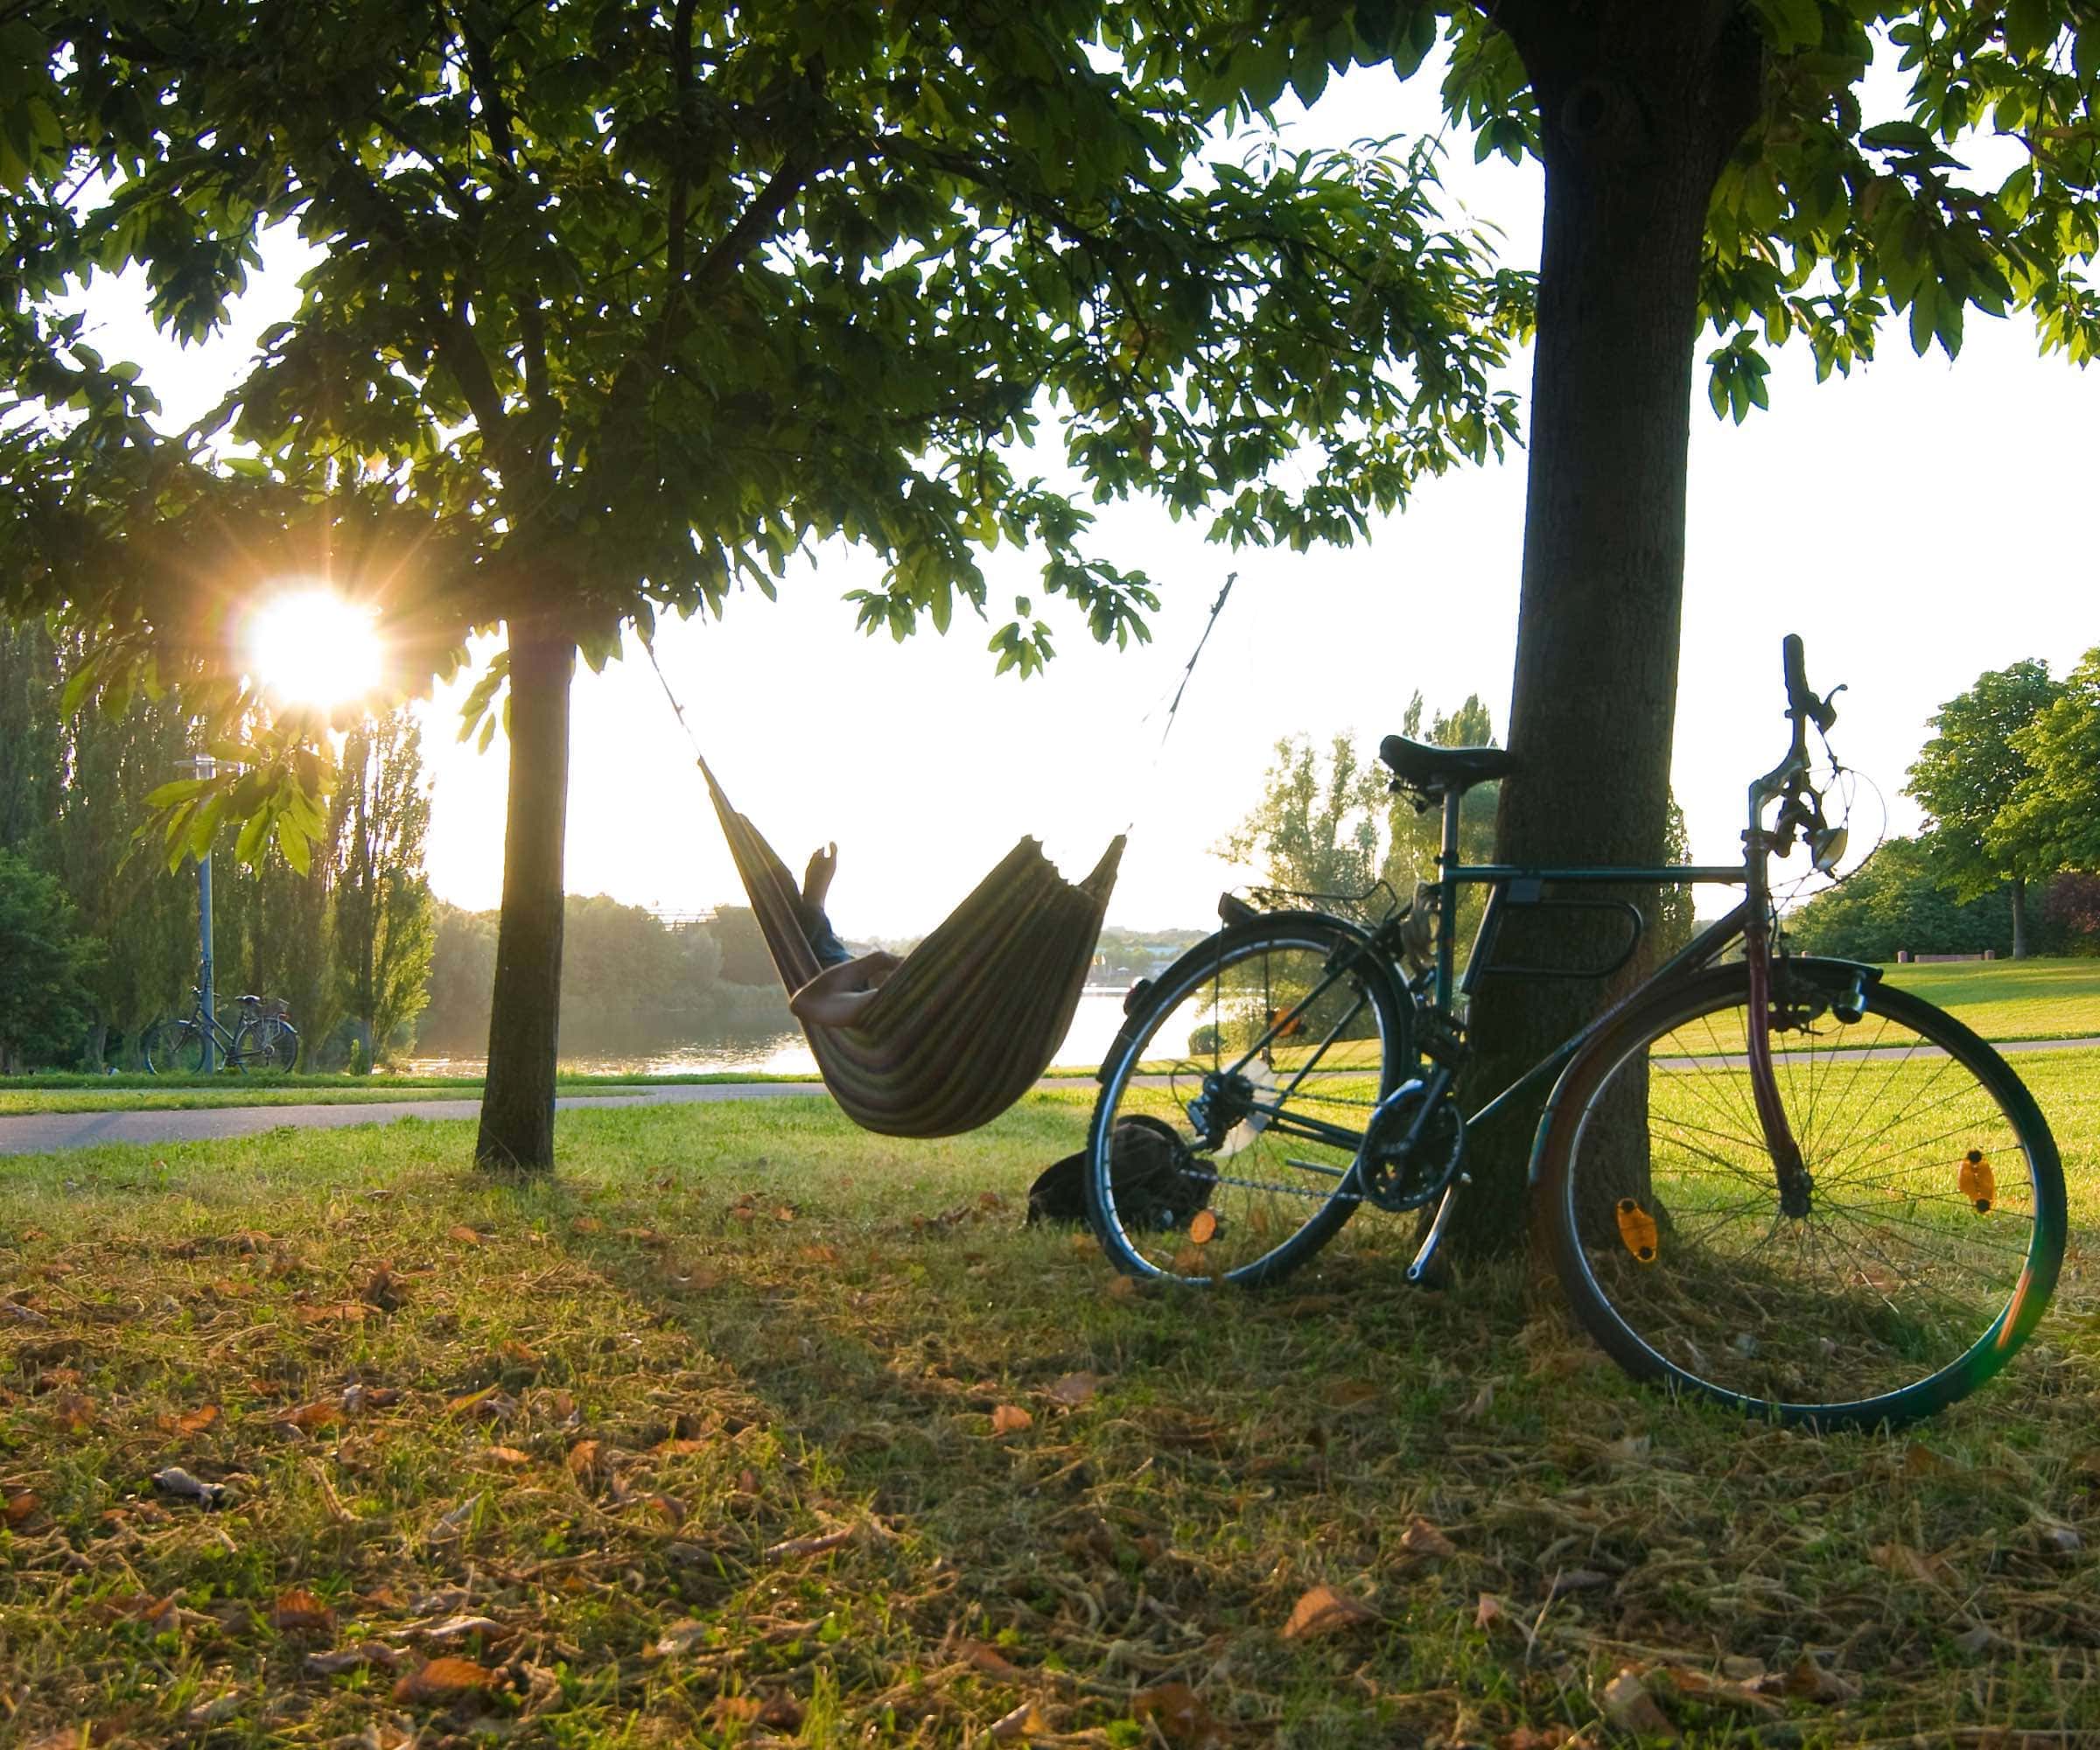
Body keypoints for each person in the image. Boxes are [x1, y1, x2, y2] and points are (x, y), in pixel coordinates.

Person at [788, 843, 900, 1027]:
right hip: (834, 963)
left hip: (853, 988)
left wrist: (881, 960)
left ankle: (814, 907)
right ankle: (814, 907)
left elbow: (805, 1003)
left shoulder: (899, 998)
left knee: (775, 880)